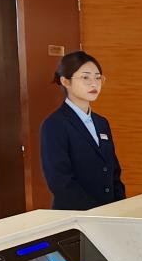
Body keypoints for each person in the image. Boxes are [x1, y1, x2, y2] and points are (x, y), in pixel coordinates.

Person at [39, 50, 125, 210]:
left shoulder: (102, 123)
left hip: (108, 213)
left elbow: (113, 171)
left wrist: (119, 206)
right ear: (65, 81)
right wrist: (94, 212)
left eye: (98, 77)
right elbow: (59, 180)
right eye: (85, 77)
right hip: (76, 214)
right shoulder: (54, 124)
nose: (94, 83)